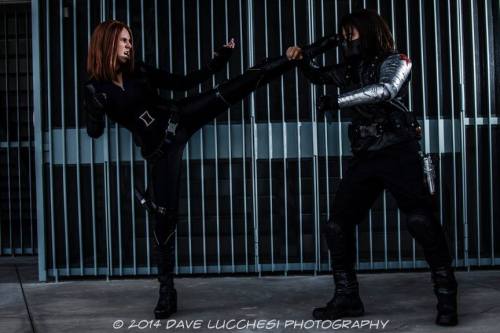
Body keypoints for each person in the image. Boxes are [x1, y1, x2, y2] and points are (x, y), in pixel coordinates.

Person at [84, 19, 334, 320]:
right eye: (123, 41)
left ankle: (308, 51)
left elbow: (185, 82)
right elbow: (95, 132)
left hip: (180, 118)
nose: (129, 45)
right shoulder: (94, 88)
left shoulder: (140, 70)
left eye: (129, 40)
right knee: (164, 219)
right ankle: (167, 291)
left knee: (240, 84)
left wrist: (218, 61)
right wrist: (96, 112)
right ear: (106, 43)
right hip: (160, 151)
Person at [286, 9, 458, 326]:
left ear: (367, 31)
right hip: (365, 155)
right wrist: (302, 55)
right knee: (336, 226)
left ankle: (447, 296)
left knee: (421, 221)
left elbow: (385, 90)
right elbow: (315, 75)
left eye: (350, 33)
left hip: (399, 151)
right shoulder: (349, 69)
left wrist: (336, 102)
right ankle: (348, 298)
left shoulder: (397, 60)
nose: (346, 40)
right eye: (343, 35)